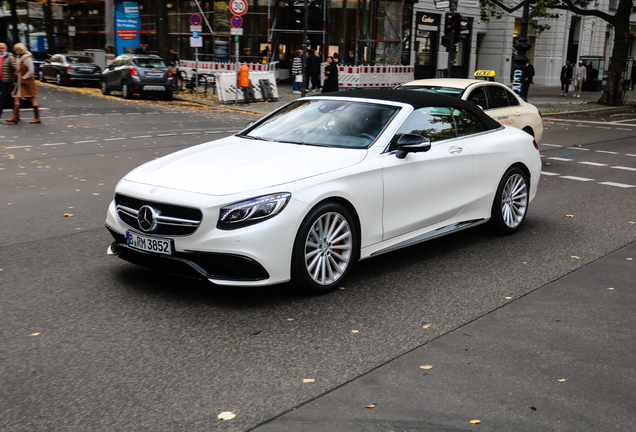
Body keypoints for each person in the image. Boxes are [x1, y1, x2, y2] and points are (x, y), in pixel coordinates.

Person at [6, 43, 39, 124]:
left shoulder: (27, 58)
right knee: (17, 97)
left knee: (32, 99)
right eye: (16, 50)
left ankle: (37, 117)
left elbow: (31, 70)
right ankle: (15, 116)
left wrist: (24, 78)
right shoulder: (18, 57)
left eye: (18, 49)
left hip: (27, 82)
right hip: (20, 81)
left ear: (22, 49)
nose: (17, 51)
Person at [0, 42, 18, 121]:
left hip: (6, 81)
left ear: (6, 49)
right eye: (0, 48)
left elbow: (16, 68)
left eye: (2, 48)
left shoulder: (9, 57)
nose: (1, 49)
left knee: (2, 99)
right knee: (9, 99)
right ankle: (16, 114)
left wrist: (15, 79)